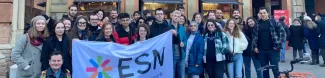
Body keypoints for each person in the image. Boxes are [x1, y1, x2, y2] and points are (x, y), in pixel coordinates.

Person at [252, 7, 286, 78]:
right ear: (259, 14)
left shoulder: (274, 22)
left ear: (267, 13)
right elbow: (254, 37)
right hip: (261, 51)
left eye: (264, 13)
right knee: (265, 71)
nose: (263, 14)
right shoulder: (257, 24)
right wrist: (255, 47)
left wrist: (278, 45)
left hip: (273, 50)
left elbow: (283, 34)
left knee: (275, 70)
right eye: (261, 13)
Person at [168, 10, 187, 78]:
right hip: (171, 56)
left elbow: (185, 40)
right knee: (171, 75)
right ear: (172, 16)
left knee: (181, 76)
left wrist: (184, 44)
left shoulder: (182, 28)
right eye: (175, 16)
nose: (176, 18)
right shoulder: (167, 27)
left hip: (181, 56)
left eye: (178, 16)